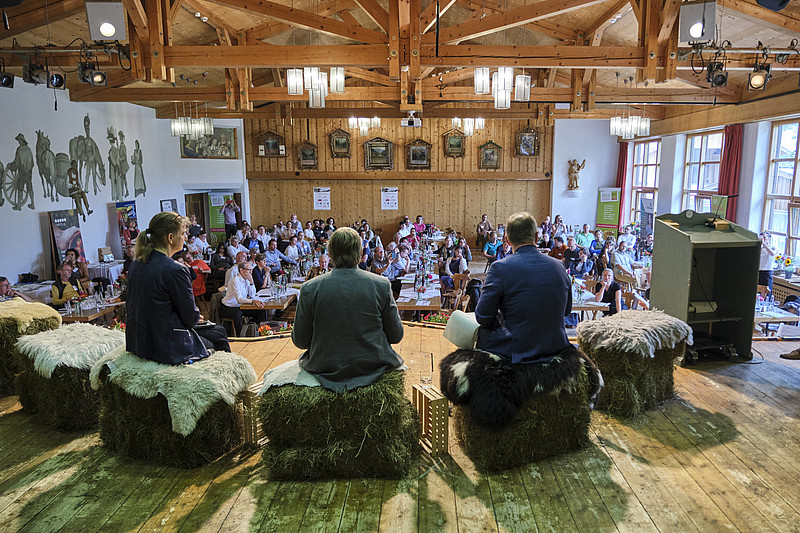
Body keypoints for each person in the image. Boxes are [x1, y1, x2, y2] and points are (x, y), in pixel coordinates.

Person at [292, 228, 404, 392]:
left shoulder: (310, 288)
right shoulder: (381, 285)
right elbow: (396, 335)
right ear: (360, 253)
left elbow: (300, 341)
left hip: (324, 366)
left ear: (330, 254)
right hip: (374, 365)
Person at [475, 212, 572, 364]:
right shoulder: (559, 266)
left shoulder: (500, 268)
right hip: (555, 347)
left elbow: (483, 317)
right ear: (537, 237)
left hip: (516, 353)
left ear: (507, 239)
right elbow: (566, 311)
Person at [126, 212, 212, 364]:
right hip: (166, 347)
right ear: (170, 237)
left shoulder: (135, 264)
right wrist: (195, 315)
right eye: (183, 233)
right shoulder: (176, 270)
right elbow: (190, 319)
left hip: (138, 343)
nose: (186, 238)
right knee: (219, 336)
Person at [220, 262, 267, 333]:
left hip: (240, 306)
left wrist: (251, 282)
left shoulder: (247, 279)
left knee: (261, 311)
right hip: (229, 307)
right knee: (238, 314)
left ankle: (249, 329)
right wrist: (253, 301)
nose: (251, 272)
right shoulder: (235, 281)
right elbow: (239, 299)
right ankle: (240, 335)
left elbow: (252, 295)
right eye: (248, 270)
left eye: (251, 270)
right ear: (241, 270)